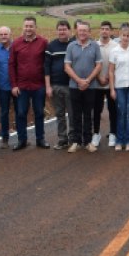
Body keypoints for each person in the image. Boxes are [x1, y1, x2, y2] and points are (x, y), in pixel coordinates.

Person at [9, 16, 50, 150]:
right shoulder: (16, 43)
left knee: (39, 112)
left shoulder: (43, 42)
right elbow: (12, 65)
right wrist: (14, 85)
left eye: (31, 26)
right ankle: (22, 140)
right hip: (22, 86)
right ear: (23, 27)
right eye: (26, 26)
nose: (28, 29)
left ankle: (40, 139)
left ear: (35, 27)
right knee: (21, 113)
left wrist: (47, 84)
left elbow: (47, 63)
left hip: (38, 86)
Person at [64, 21, 102, 153]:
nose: (83, 33)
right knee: (75, 114)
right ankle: (76, 141)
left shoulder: (95, 46)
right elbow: (67, 67)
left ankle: (87, 142)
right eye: (80, 30)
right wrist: (79, 80)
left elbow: (98, 65)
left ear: (89, 32)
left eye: (85, 30)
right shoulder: (71, 46)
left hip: (90, 87)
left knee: (87, 115)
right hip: (74, 86)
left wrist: (88, 80)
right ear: (77, 31)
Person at [108, 23, 129, 152]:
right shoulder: (114, 51)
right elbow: (110, 71)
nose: (125, 38)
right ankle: (119, 140)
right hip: (119, 87)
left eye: (128, 36)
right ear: (119, 36)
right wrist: (112, 89)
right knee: (121, 113)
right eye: (123, 35)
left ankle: (128, 140)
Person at [44, 20, 72, 150]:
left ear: (69, 31)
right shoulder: (51, 46)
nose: (62, 32)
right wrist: (48, 86)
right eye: (60, 29)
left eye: (64, 29)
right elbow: (47, 67)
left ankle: (73, 139)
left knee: (72, 114)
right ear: (57, 31)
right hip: (56, 86)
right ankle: (62, 139)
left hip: (71, 86)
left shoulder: (73, 45)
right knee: (60, 114)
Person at [93, 21, 119, 147]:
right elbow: (92, 63)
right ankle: (96, 133)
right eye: (102, 28)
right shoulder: (94, 45)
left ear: (111, 31)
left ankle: (113, 133)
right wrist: (99, 77)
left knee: (112, 110)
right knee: (96, 110)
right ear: (99, 30)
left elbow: (116, 64)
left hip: (111, 84)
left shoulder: (116, 46)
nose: (104, 31)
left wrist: (108, 77)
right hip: (97, 84)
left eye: (107, 29)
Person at [0, 26, 17, 149]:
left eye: (5, 34)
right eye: (1, 34)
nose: (3, 36)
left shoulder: (17, 47)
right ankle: (5, 138)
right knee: (4, 112)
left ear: (10, 34)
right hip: (3, 86)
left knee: (20, 112)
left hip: (17, 86)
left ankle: (21, 138)